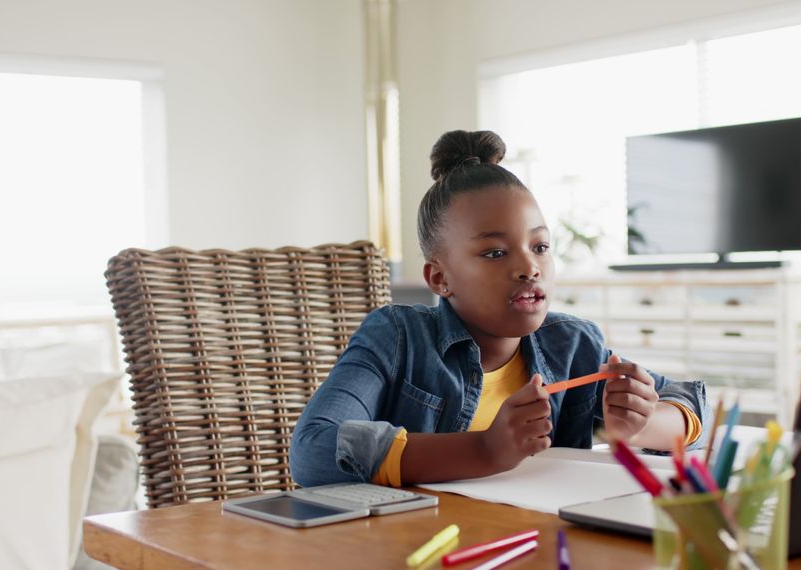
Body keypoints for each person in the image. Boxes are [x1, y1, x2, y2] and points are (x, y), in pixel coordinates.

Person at [290, 130, 708, 488]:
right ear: (439, 278)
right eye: (494, 252)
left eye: (540, 247)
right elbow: (313, 450)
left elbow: (687, 400)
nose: (529, 267)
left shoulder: (573, 346)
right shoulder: (396, 337)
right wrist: (486, 449)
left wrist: (642, 422)